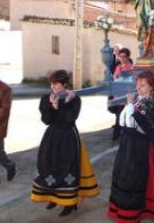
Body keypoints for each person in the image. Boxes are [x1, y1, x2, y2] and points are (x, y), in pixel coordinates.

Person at [31, 70, 99, 217]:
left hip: (68, 136)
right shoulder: (45, 98)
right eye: (52, 83)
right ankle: (53, 198)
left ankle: (70, 203)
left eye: (56, 84)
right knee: (50, 166)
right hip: (52, 137)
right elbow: (46, 120)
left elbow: (69, 119)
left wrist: (64, 104)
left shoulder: (74, 99)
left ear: (64, 84)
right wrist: (53, 107)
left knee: (67, 168)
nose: (53, 86)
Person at [108, 71, 154, 222]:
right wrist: (129, 105)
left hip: (141, 146)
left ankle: (136, 213)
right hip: (129, 145)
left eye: (143, 85)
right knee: (126, 176)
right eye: (137, 84)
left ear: (151, 87)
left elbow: (143, 126)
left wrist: (131, 105)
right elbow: (123, 122)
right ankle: (128, 211)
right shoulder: (139, 99)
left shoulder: (152, 102)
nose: (139, 88)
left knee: (136, 178)